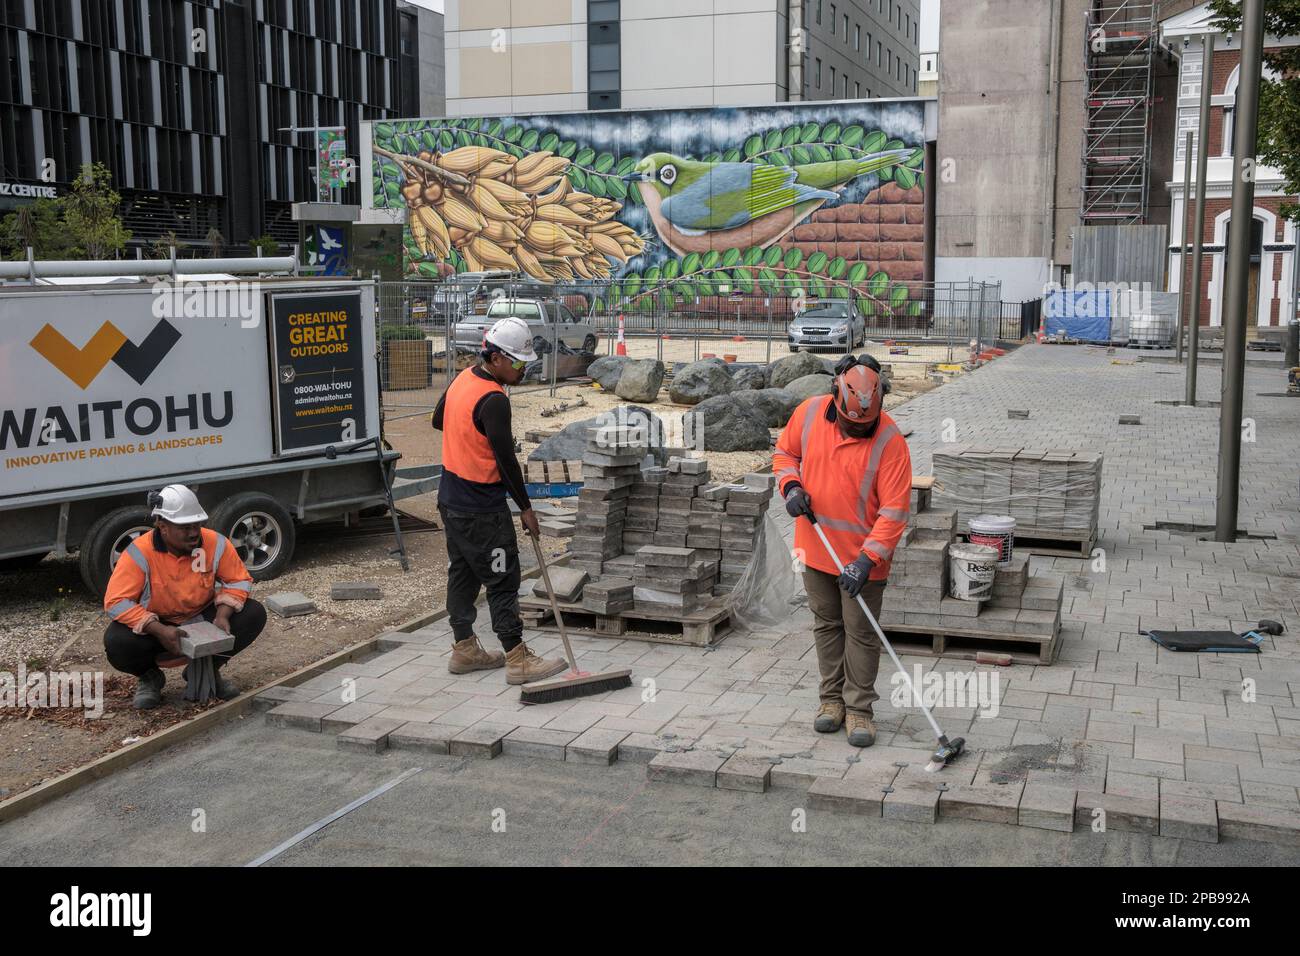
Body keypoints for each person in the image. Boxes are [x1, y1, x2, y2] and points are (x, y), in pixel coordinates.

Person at [772, 355, 912, 747]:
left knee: (861, 633)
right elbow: (784, 455)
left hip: (863, 562)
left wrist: (867, 560)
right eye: (851, 422)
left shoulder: (890, 441)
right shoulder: (810, 413)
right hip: (816, 549)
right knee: (828, 626)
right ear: (835, 397)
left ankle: (860, 711)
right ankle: (831, 702)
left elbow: (895, 511)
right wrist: (791, 487)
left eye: (864, 424)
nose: (857, 429)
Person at [432, 316, 566, 684]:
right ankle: (517, 657)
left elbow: (438, 419)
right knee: (502, 577)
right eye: (519, 363)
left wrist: (468, 438)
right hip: (481, 509)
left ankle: (464, 647)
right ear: (496, 359)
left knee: (462, 573)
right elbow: (506, 462)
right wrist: (526, 509)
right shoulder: (494, 400)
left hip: (451, 500)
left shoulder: (464, 379)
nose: (524, 369)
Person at [103, 484, 265, 709]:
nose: (193, 533)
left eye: (197, 525)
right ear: (162, 527)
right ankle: (150, 678)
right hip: (159, 624)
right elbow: (116, 601)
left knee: (254, 613)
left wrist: (223, 614)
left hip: (202, 615)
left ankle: (207, 669)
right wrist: (158, 630)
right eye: (184, 527)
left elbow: (239, 580)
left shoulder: (215, 542)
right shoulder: (140, 552)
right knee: (117, 641)